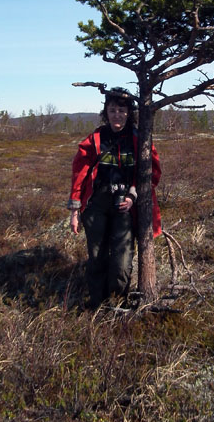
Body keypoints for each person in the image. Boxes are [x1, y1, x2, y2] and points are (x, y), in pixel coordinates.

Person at [68, 87, 161, 308]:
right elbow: (79, 173)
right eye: (112, 110)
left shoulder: (139, 139)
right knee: (97, 258)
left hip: (125, 207)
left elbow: (152, 172)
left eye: (122, 109)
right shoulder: (96, 139)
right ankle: (97, 306)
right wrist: (74, 210)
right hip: (96, 207)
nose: (117, 114)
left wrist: (133, 194)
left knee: (121, 263)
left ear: (129, 112)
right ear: (106, 112)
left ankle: (117, 304)